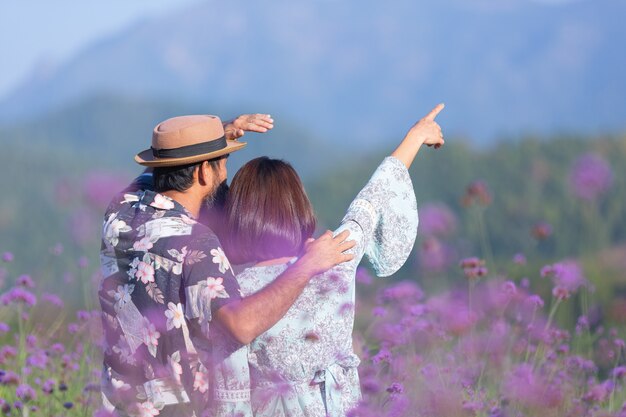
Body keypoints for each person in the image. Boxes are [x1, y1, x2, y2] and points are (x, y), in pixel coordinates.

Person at [98, 113, 356, 417]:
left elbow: (163, 173)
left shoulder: (122, 211)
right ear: (204, 171)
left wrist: (218, 135)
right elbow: (240, 325)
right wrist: (308, 264)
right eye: (222, 162)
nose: (226, 176)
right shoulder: (196, 242)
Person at [214, 104, 446, 416]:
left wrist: (218, 136)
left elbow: (230, 387)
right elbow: (371, 202)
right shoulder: (333, 259)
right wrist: (416, 136)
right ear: (298, 207)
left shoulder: (228, 288)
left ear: (237, 214)